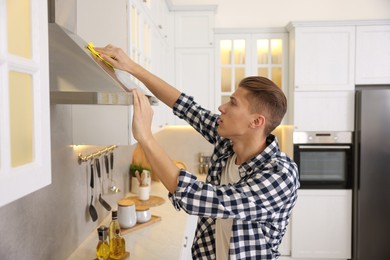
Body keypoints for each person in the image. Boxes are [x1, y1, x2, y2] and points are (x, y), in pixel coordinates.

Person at [95, 44, 300, 259]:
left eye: (233, 103)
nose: (222, 107)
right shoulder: (228, 142)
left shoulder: (281, 174)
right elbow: (185, 106)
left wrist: (145, 137)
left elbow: (198, 197)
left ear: (256, 121)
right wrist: (131, 67)